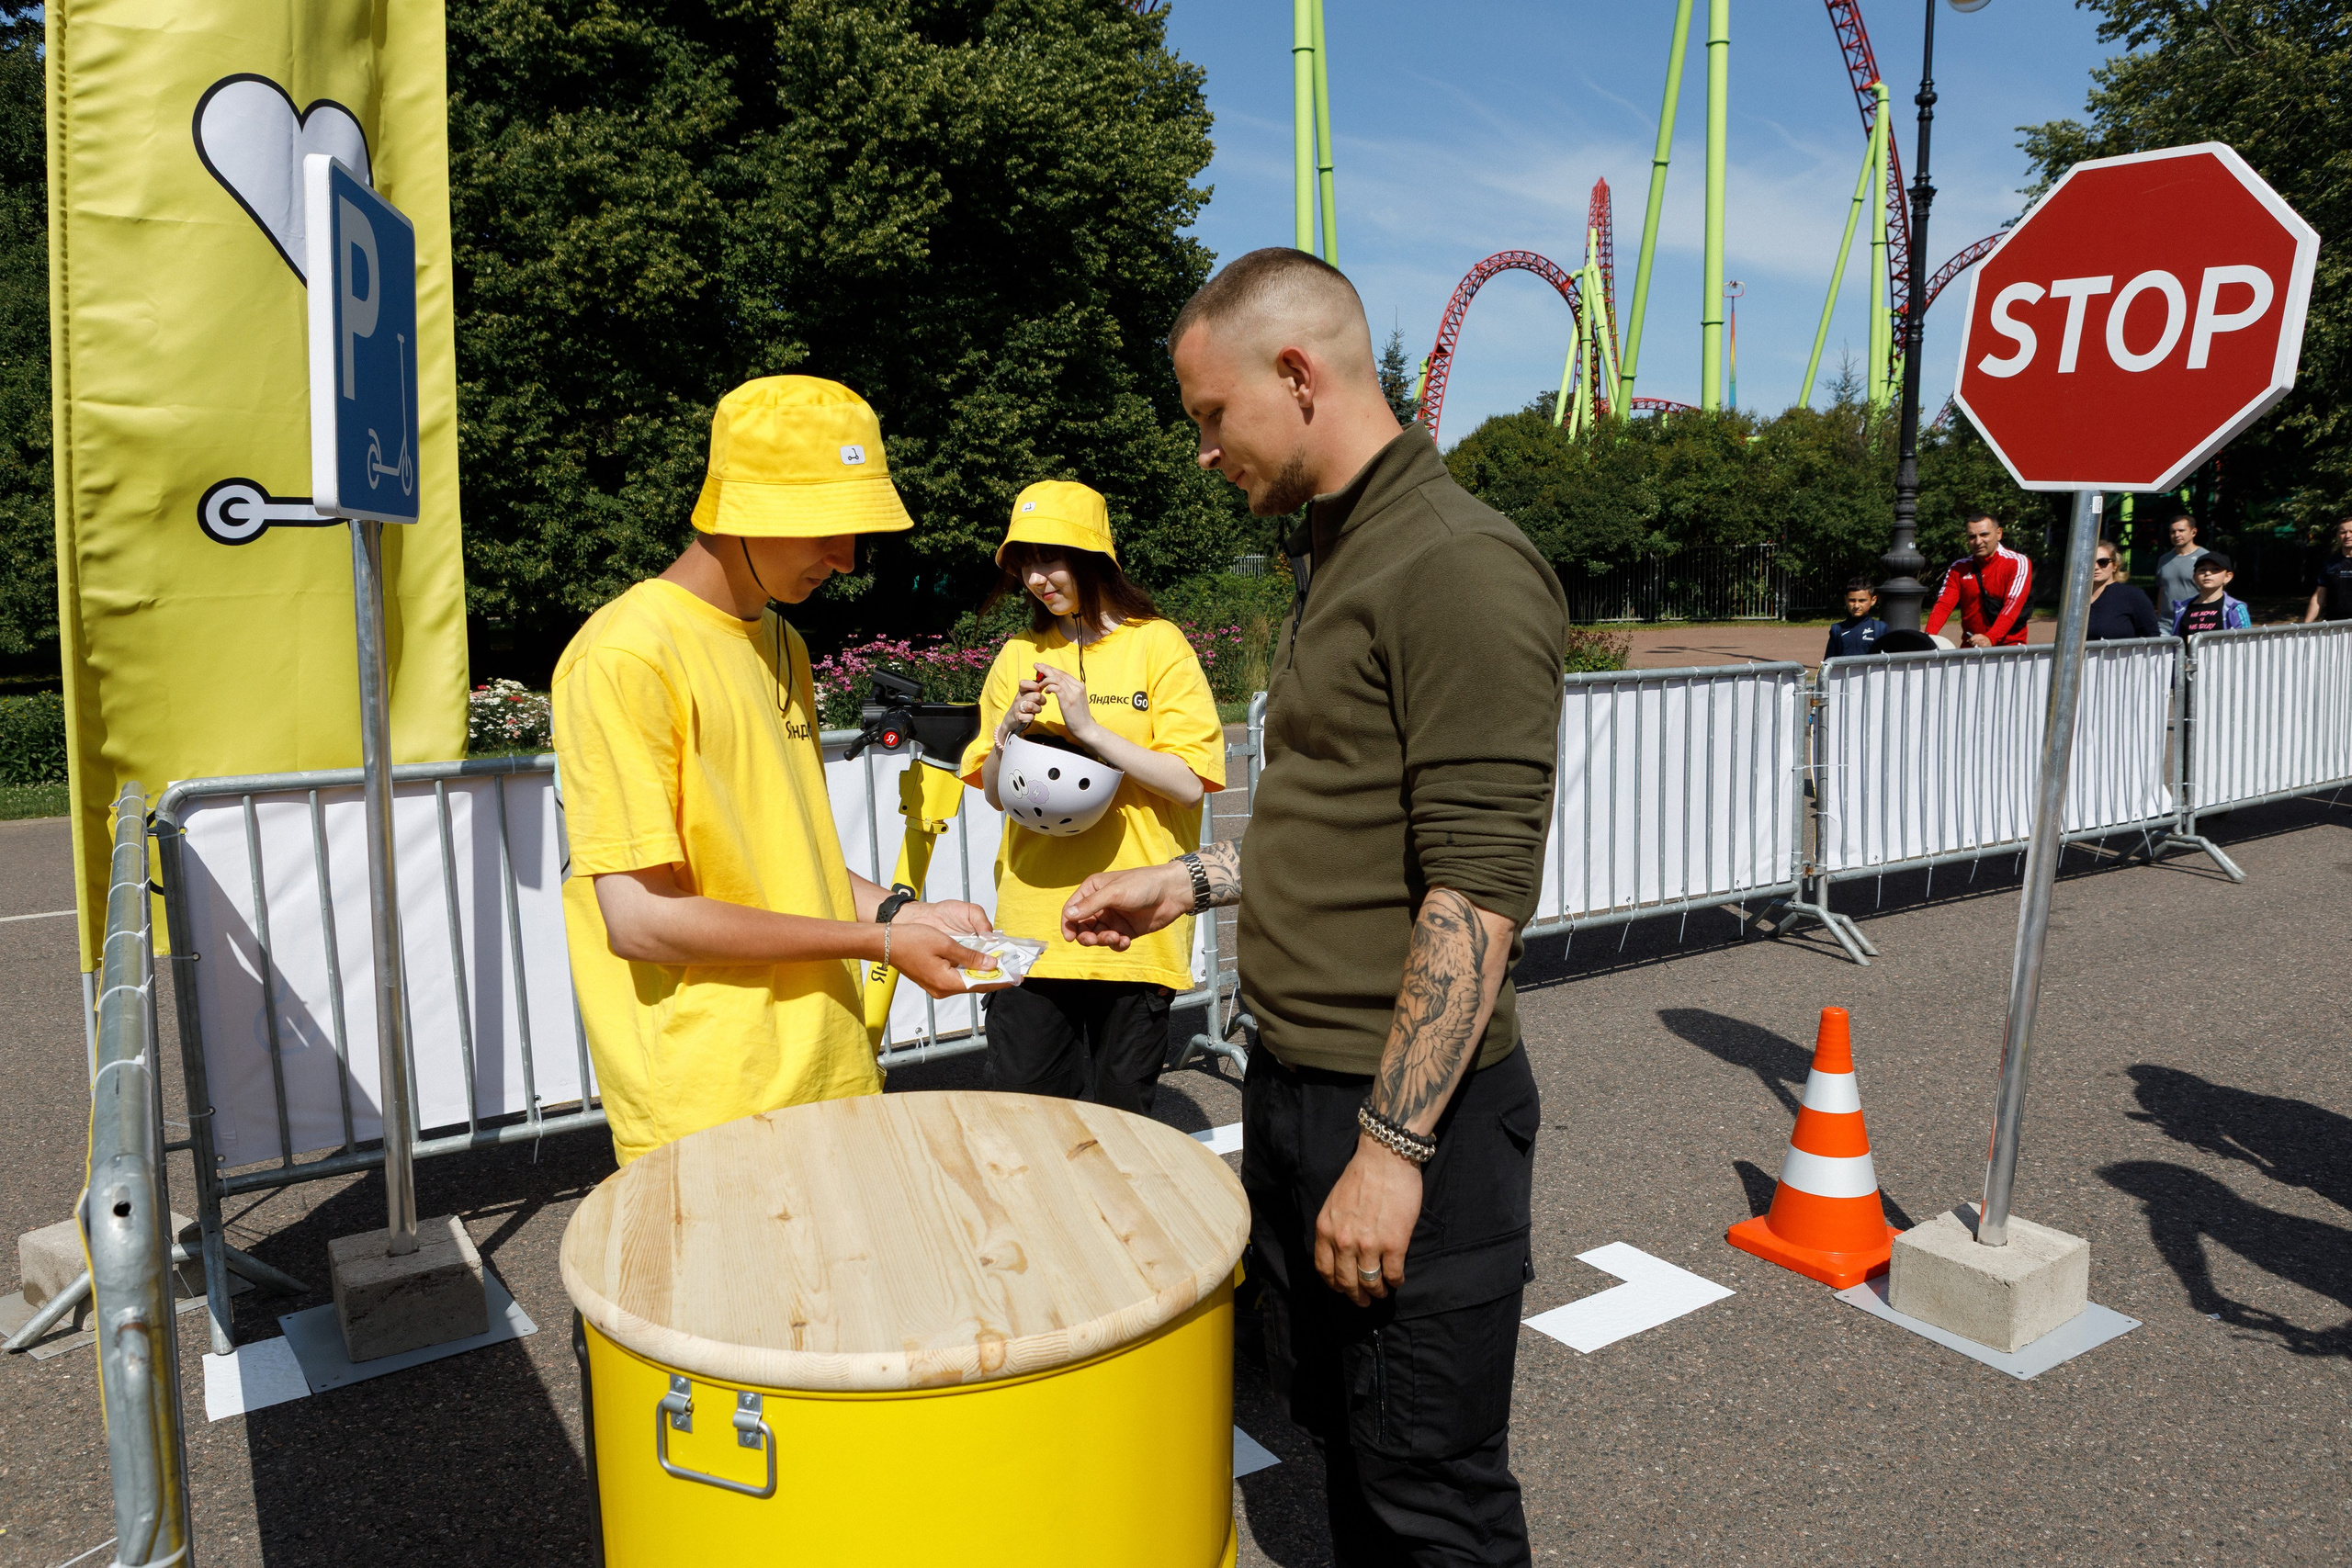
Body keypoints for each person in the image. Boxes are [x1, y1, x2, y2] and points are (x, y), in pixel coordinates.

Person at [1060, 247, 1567, 1566]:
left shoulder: (1455, 562)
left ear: (1296, 375)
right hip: (1298, 1088)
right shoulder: (1339, 551)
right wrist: (1188, 880)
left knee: (1429, 1492)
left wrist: (1391, 1152)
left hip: (1400, 1112)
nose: (1202, 450)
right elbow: (1341, 825)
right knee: (1345, 1439)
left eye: (1210, 414)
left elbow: (1474, 888)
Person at [553, 376, 989, 1166]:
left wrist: (904, 913)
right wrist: (880, 941)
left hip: (828, 1064)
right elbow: (641, 918)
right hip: (712, 1105)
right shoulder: (625, 655)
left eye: (855, 529)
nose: (847, 558)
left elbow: (787, 862)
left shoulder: (782, 643)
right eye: (826, 524)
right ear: (742, 508)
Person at [958, 480, 1226, 1114]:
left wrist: (1091, 731)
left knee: (1122, 1129)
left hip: (1132, 930)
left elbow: (1189, 784)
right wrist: (1007, 731)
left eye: (1049, 559)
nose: (1036, 579)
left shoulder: (1157, 644)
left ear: (1093, 557)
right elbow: (993, 793)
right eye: (1024, 564)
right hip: (1030, 928)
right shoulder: (1018, 655)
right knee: (1028, 1126)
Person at [1924, 513, 2034, 649]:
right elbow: (1943, 605)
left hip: (2008, 649)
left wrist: (1991, 638)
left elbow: (2012, 605)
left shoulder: (2017, 562)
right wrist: (1928, 637)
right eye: (1972, 537)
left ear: (1999, 534)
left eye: (1984, 535)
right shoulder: (1958, 568)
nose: (1978, 542)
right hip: (1971, 648)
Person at [2085, 539, 2159, 641]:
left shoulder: (2133, 596)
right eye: (2090, 562)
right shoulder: (2075, 598)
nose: (2095, 567)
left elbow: (2153, 637)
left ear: (2115, 566)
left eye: (2102, 562)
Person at [2172, 551, 2252, 637]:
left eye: (2215, 569)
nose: (2207, 573)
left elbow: (2245, 641)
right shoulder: (2182, 608)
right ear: (2194, 577)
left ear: (2227, 577)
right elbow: (2176, 641)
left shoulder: (2235, 608)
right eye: (2202, 570)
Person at [2153, 510, 2209, 631]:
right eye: (2173, 532)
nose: (2176, 535)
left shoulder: (2205, 558)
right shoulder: (2164, 559)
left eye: (2181, 530)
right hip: (2166, 624)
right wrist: (2159, 616)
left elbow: (2213, 591)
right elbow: (2162, 590)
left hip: (2194, 621)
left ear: (2193, 532)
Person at [1824, 576, 1888, 659]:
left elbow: (1888, 660)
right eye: (1852, 600)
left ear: (1873, 600)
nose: (1856, 605)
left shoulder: (1880, 628)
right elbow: (1829, 661)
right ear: (1846, 599)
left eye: (1862, 600)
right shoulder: (1837, 629)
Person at [2303, 516, 2352, 623]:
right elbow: (2319, 597)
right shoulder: (2329, 563)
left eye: (2351, 531)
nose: (2348, 536)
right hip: (2334, 626)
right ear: (2338, 535)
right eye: (2343, 532)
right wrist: (2306, 625)